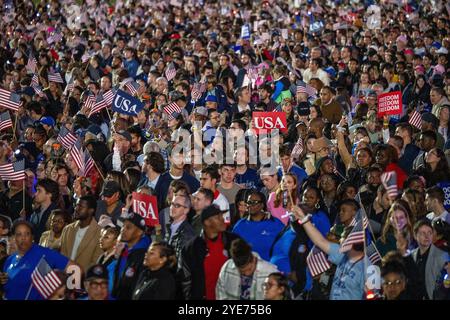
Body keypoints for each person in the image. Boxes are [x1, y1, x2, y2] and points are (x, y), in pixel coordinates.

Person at [292, 205, 371, 300]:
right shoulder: (342, 255)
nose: (341, 242)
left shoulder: (369, 268)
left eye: (345, 239)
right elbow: (320, 241)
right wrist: (303, 219)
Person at [178, 205, 241, 300]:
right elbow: (185, 280)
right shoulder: (191, 248)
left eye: (221, 216)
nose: (222, 220)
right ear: (207, 222)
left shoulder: (234, 241)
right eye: (217, 217)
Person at [1, 220, 71, 300]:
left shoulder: (44, 254)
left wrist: (71, 292)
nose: (23, 238)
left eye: (27, 234)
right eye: (19, 234)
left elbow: (74, 268)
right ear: (14, 237)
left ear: (32, 237)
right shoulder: (9, 259)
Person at [232, 190, 284, 261]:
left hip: (270, 268)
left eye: (254, 202)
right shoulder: (239, 226)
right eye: (249, 202)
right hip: (248, 268)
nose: (251, 205)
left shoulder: (276, 224)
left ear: (262, 205)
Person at [112, 212, 151, 300]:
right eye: (123, 226)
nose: (123, 230)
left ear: (139, 232)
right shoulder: (123, 250)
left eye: (128, 227)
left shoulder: (143, 257)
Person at [60, 195, 103, 273]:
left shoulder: (99, 233)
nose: (76, 209)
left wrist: (78, 275)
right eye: (76, 205)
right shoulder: (67, 229)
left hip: (83, 280)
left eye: (81, 207)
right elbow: (62, 255)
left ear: (91, 211)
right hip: (64, 277)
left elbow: (95, 262)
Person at [411, 219, 449, 300]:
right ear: (415, 235)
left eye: (429, 233)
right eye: (423, 233)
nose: (427, 236)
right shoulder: (411, 256)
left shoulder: (442, 256)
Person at [163, 194, 196, 260]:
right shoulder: (169, 227)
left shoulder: (188, 233)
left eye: (177, 205)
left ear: (186, 210)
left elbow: (180, 261)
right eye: (172, 204)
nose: (172, 207)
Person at [28, 178, 61, 243]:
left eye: (39, 191)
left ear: (50, 194)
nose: (35, 194)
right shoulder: (35, 212)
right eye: (36, 191)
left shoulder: (57, 214)